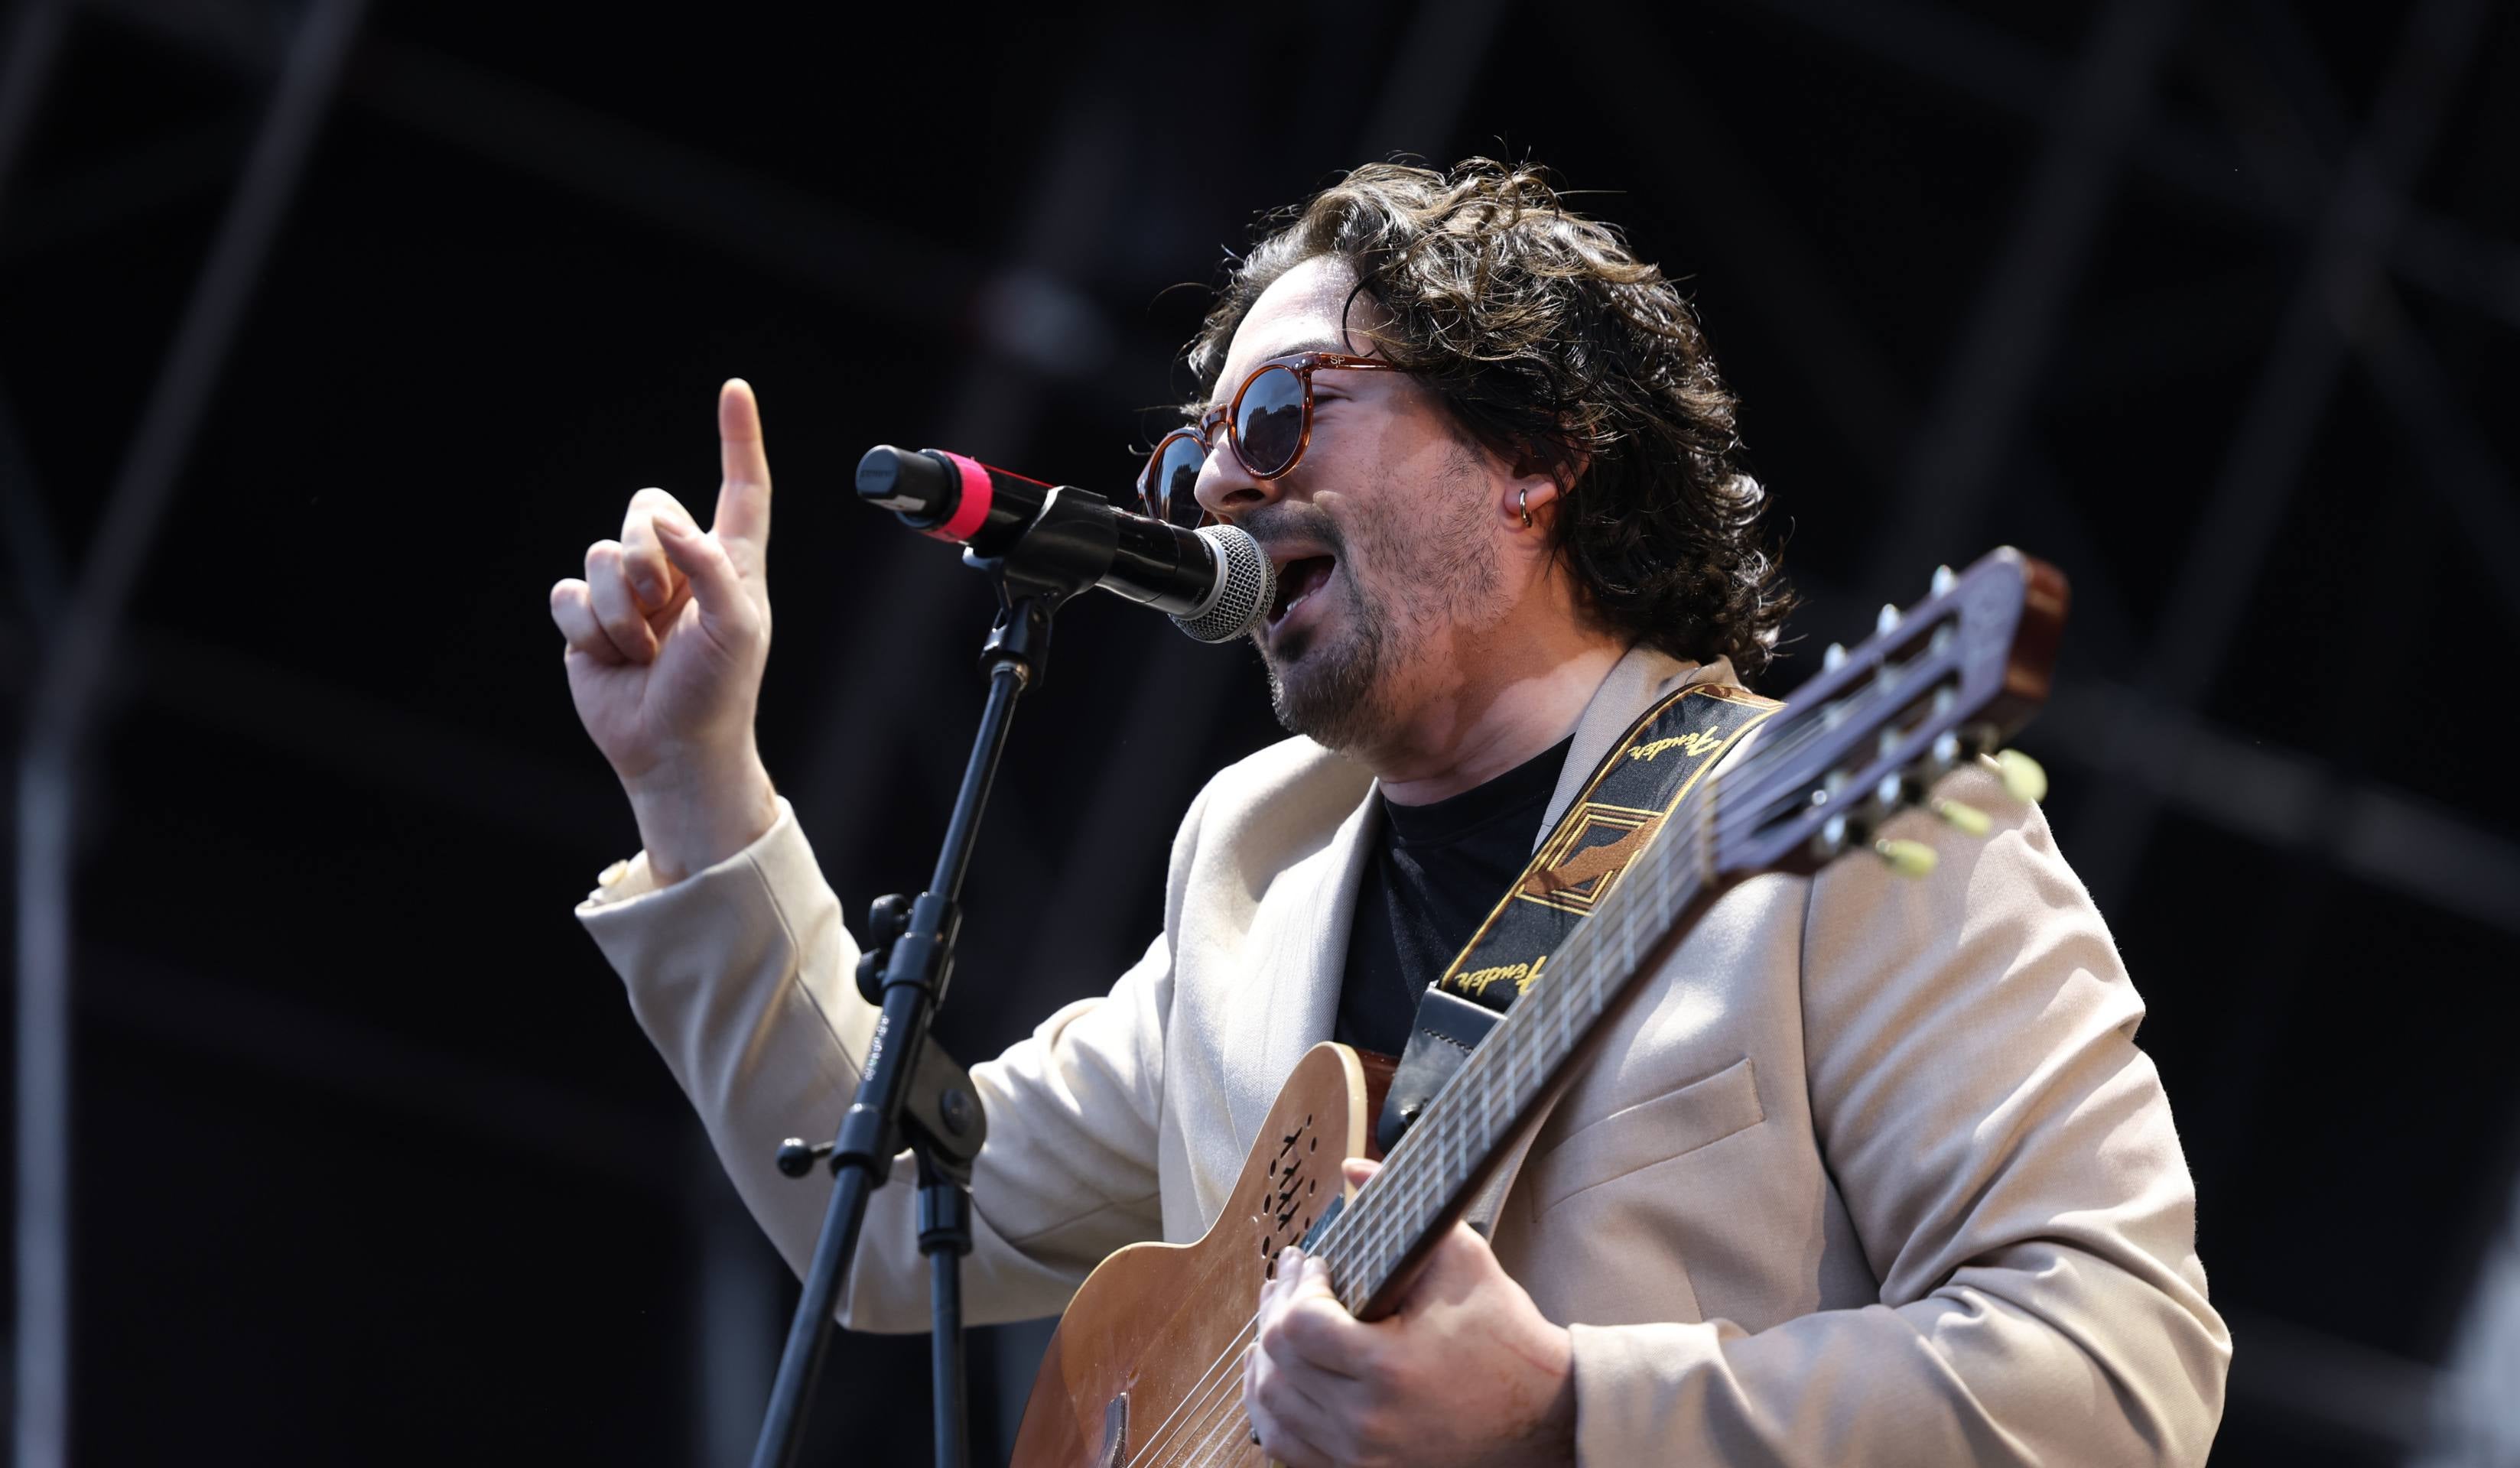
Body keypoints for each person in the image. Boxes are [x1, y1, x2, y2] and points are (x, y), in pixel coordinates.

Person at [550, 160, 2229, 1466]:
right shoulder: (1254, 877)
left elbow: (2118, 1369)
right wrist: (691, 771)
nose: (1216, 486)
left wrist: (1569, 1407)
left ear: (1536, 453)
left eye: (1282, 413)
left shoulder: (1833, 831)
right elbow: (890, 1224)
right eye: (1189, 458)